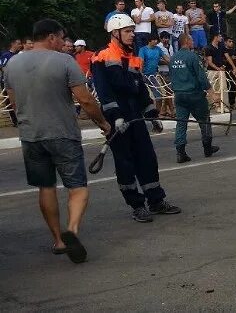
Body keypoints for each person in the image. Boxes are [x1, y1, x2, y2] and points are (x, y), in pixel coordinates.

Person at [5, 19, 111, 264]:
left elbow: (12, 102)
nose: (65, 43)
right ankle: (72, 231)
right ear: (51, 37)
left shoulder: (13, 62)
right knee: (77, 186)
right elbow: (85, 100)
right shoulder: (64, 61)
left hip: (31, 136)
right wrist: (103, 124)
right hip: (62, 133)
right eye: (62, 38)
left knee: (46, 187)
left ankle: (58, 240)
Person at [91, 14, 181, 222]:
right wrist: (115, 117)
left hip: (135, 116)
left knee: (147, 158)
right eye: (128, 32)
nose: (133, 35)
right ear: (115, 33)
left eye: (132, 31)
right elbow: (104, 92)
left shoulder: (131, 56)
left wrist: (150, 112)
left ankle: (156, 200)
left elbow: (140, 87)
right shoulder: (101, 56)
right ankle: (137, 205)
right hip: (117, 118)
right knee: (125, 164)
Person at [170, 33, 220, 163]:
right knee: (204, 120)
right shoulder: (193, 57)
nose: (193, 42)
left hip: (179, 95)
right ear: (186, 41)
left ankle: (180, 153)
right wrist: (212, 93)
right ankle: (207, 148)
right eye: (191, 40)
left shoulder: (173, 58)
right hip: (194, 95)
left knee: (181, 123)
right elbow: (201, 77)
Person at [138, 33, 168, 115]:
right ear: (149, 41)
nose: (156, 42)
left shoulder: (158, 49)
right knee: (143, 95)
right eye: (154, 40)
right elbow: (141, 62)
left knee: (159, 95)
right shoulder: (143, 50)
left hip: (153, 75)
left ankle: (157, 114)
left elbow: (166, 58)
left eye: (156, 40)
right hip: (144, 75)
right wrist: (140, 74)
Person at [204, 33, 229, 108]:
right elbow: (209, 62)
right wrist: (218, 69)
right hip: (212, 71)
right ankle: (216, 105)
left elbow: (226, 57)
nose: (221, 38)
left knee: (223, 88)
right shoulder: (208, 47)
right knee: (214, 88)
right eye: (220, 36)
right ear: (215, 37)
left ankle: (224, 105)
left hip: (221, 70)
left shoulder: (221, 47)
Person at [156, 32, 176, 118]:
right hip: (162, 71)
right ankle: (172, 110)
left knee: (169, 91)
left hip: (170, 70)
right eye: (164, 38)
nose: (166, 40)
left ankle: (163, 110)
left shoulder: (170, 46)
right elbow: (158, 61)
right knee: (168, 91)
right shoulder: (158, 47)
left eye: (167, 38)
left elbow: (172, 56)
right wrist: (168, 62)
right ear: (161, 39)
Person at [223, 36, 236, 108]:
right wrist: (228, 60)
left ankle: (232, 103)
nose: (231, 43)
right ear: (225, 42)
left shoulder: (234, 51)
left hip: (233, 71)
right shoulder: (223, 50)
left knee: (233, 87)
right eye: (229, 41)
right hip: (225, 70)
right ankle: (226, 104)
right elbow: (222, 61)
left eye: (232, 41)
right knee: (227, 87)